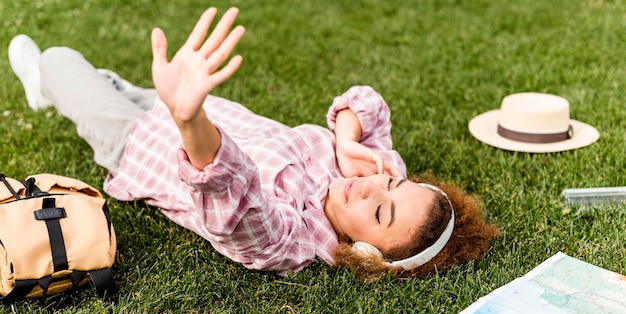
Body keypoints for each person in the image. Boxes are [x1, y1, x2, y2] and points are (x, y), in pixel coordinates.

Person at [8, 7, 498, 280]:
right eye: (392, 183)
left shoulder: (291, 242)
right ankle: (103, 85)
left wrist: (188, 116)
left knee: (58, 59)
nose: (374, 189)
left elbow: (233, 204)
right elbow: (367, 103)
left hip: (139, 143)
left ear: (365, 252)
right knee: (111, 84)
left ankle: (45, 83)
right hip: (183, 102)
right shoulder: (366, 174)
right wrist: (347, 138)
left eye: (379, 214)